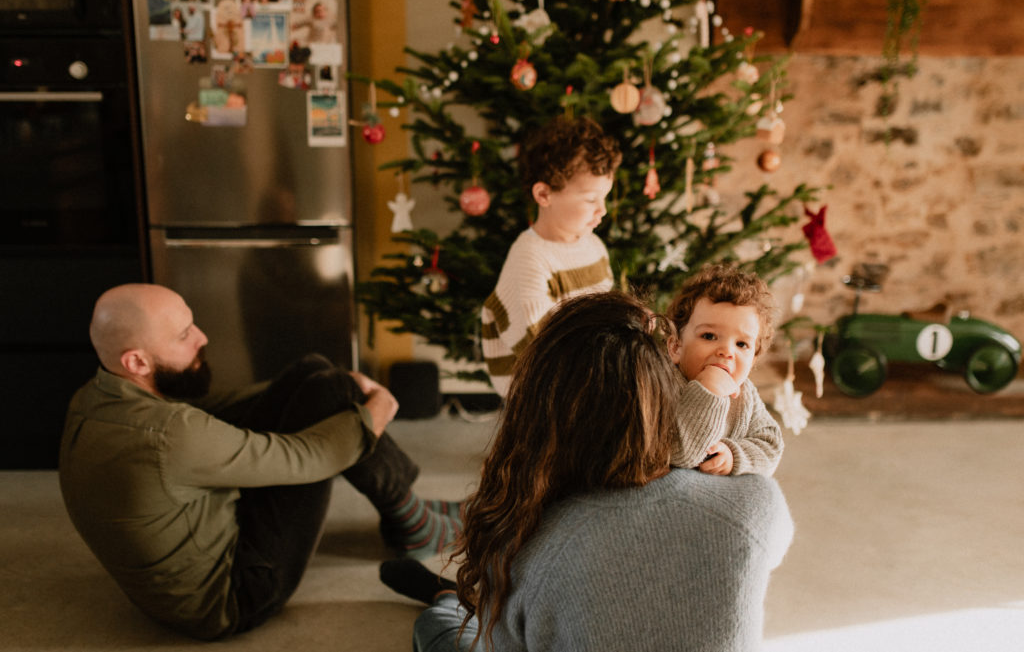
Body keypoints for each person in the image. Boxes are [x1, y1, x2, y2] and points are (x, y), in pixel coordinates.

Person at [382, 291, 794, 652]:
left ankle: (446, 601)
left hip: (507, 602)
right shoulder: (757, 503)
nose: (725, 353)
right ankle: (452, 598)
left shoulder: (526, 545)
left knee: (439, 628)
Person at [59, 284, 462, 640]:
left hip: (183, 560)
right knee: (335, 399)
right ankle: (412, 522)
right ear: (137, 363)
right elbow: (309, 458)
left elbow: (214, 411)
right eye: (184, 335)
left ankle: (408, 514)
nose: (202, 338)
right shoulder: (169, 437)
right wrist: (378, 408)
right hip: (234, 597)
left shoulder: (94, 397)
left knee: (317, 373)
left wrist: (312, 385)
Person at [480, 116, 622, 396]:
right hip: (540, 392)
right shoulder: (529, 258)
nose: (602, 210)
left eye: (604, 197)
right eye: (591, 199)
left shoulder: (593, 246)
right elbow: (543, 350)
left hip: (585, 371)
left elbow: (606, 314)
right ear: (544, 194)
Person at [665, 262, 785, 476]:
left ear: (753, 359)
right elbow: (679, 455)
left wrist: (734, 455)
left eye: (741, 344)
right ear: (676, 347)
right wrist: (708, 392)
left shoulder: (746, 395)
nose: (726, 352)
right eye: (709, 336)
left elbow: (771, 446)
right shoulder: (664, 385)